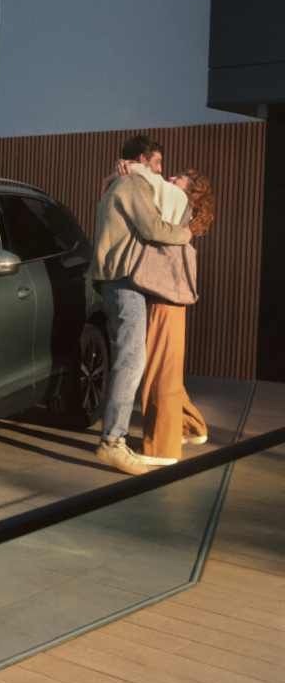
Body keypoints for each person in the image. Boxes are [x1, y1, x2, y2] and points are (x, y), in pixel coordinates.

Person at [90, 136, 192, 476]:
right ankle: (112, 443)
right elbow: (153, 228)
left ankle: (114, 439)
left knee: (130, 359)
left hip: (118, 280)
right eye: (158, 163)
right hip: (123, 280)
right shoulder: (134, 182)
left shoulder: (122, 181)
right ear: (141, 160)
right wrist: (186, 235)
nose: (161, 171)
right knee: (131, 361)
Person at [134, 168, 216, 465]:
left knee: (159, 369)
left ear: (191, 191)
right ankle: (190, 426)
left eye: (179, 177)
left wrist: (129, 166)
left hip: (164, 295)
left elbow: (152, 182)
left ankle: (162, 449)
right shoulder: (185, 210)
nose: (171, 179)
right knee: (166, 364)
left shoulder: (177, 200)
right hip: (171, 296)